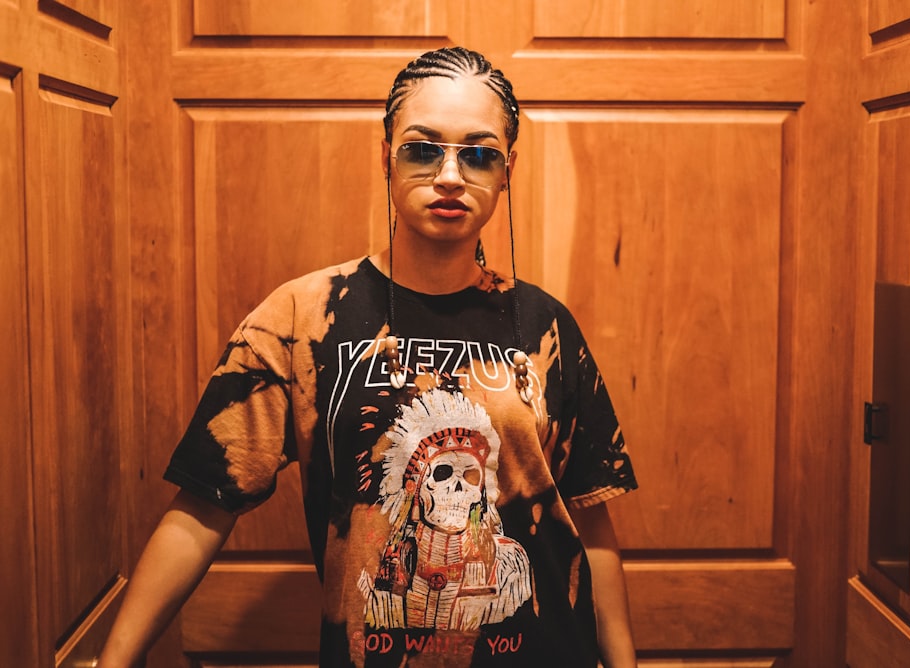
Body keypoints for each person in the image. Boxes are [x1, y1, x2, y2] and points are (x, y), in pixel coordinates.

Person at [99, 46, 639, 668]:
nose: (450, 175)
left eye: (479, 153)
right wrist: (115, 660)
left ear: (507, 170)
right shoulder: (303, 318)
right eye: (422, 148)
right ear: (385, 155)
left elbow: (589, 523)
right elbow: (202, 504)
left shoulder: (547, 327)